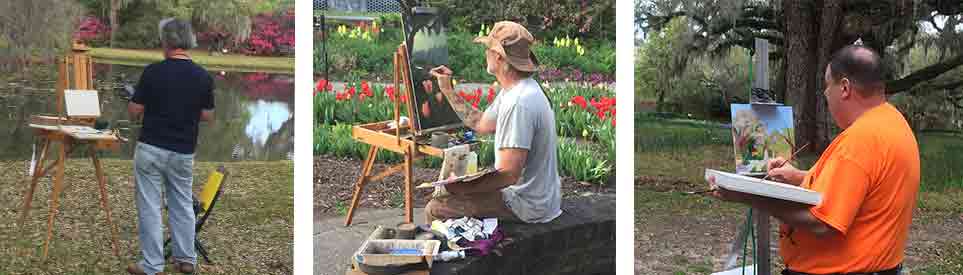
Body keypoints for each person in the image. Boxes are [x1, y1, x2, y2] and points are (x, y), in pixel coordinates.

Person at [708, 45, 920, 275]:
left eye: (827, 88)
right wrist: (800, 178)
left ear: (845, 88)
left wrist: (748, 196)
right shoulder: (893, 122)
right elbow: (858, 190)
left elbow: (823, 223)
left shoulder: (862, 139)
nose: (826, 97)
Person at [425, 21, 562, 224]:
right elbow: (481, 123)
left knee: (436, 208)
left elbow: (508, 175)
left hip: (526, 205)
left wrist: (463, 188)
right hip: (534, 197)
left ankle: (453, 255)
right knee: (449, 196)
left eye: (487, 49)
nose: (485, 54)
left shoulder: (519, 103)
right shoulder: (517, 89)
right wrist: (447, 89)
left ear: (498, 56)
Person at [126, 18, 215, 275]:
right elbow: (208, 116)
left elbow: (134, 111)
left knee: (150, 206)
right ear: (188, 40)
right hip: (183, 152)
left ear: (166, 41)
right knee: (182, 204)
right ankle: (186, 259)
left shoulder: (153, 72)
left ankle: (152, 265)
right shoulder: (203, 76)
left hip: (151, 149)